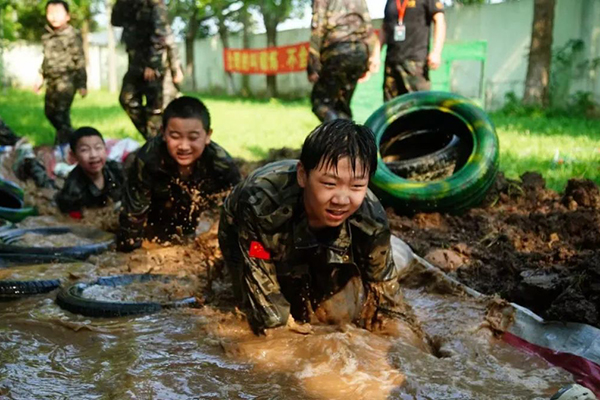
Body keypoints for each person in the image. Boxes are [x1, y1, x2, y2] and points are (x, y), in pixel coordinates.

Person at [218, 119, 429, 348]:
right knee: (258, 315)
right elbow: (271, 319)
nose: (341, 199)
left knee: (338, 314)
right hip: (245, 226)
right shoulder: (261, 203)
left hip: (322, 234)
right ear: (302, 175)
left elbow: (388, 303)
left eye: (357, 186)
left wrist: (403, 349)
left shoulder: (371, 219)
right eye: (329, 184)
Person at [117, 96, 241, 252]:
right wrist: (129, 255)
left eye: (193, 137)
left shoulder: (222, 165)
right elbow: (132, 217)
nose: (184, 146)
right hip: (156, 211)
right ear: (163, 133)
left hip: (195, 215)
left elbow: (238, 213)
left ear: (208, 135)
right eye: (175, 136)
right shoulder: (148, 160)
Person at [307, 0, 380, 122]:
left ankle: (339, 134)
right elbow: (367, 25)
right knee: (342, 105)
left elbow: (318, 27)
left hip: (336, 50)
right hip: (359, 51)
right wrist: (370, 57)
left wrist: (312, 65)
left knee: (320, 102)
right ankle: (349, 137)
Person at [111, 0, 173, 140]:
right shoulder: (129, 4)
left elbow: (160, 35)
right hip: (135, 63)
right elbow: (116, 20)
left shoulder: (154, 5)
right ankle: (154, 141)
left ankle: (157, 145)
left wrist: (153, 64)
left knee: (155, 109)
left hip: (152, 64)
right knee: (127, 98)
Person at [34, 0, 87, 145]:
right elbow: (46, 58)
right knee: (50, 112)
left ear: (67, 16)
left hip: (67, 80)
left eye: (58, 13)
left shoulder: (72, 34)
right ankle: (70, 140)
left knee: (60, 114)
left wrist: (82, 83)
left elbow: (80, 60)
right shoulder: (47, 35)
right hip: (51, 80)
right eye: (50, 13)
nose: (54, 17)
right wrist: (40, 76)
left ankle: (72, 142)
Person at [380, 0, 446, 101]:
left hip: (415, 62)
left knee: (418, 106)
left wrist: (436, 52)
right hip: (392, 62)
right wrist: (376, 54)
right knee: (391, 109)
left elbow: (439, 21)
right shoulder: (391, 1)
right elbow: (384, 28)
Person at [55, 127, 124, 216]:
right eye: (85, 150)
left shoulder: (116, 170)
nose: (93, 155)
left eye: (98, 148)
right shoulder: (73, 190)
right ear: (73, 155)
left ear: (105, 149)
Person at [162, 31, 185, 109]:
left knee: (168, 102)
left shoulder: (162, 26)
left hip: (166, 73)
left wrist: (177, 70)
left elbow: (172, 46)